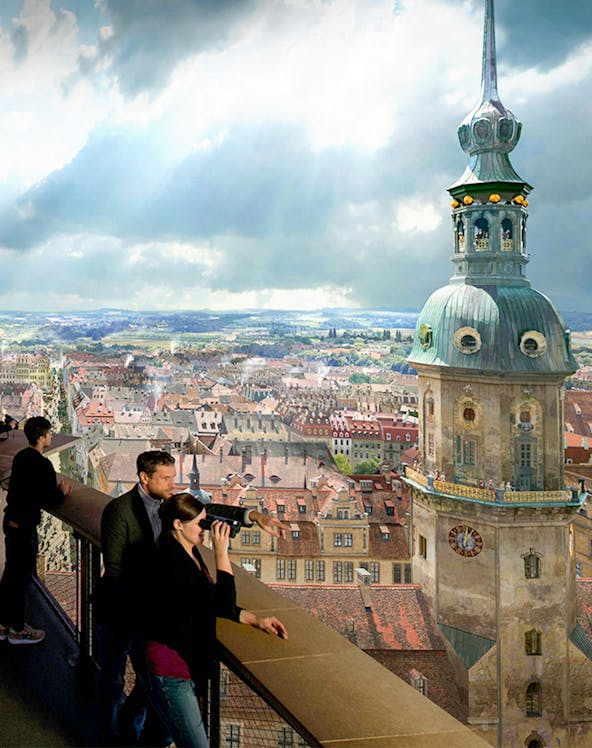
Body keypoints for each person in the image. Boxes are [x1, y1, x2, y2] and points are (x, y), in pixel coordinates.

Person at [96, 449, 286, 747]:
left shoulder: (170, 511)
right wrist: (157, 598)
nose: (173, 484)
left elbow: (206, 513)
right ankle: (108, 737)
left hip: (160, 625)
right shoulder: (121, 511)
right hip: (130, 614)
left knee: (149, 695)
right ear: (145, 478)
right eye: (166, 478)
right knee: (115, 679)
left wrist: (254, 516)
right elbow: (117, 571)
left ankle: (125, 734)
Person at [144, 493, 288, 748]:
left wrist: (255, 619)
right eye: (201, 523)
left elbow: (207, 602)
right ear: (178, 524)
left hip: (174, 662)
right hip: (172, 666)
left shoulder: (182, 548)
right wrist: (222, 553)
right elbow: (219, 602)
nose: (206, 528)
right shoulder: (173, 561)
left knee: (160, 735)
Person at [0, 416, 71, 644]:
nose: (51, 436)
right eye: (49, 434)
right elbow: (49, 498)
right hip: (25, 524)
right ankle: (18, 630)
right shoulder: (43, 464)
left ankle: (3, 624)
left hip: (11, 519)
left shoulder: (21, 457)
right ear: (41, 438)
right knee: (20, 578)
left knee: (11, 575)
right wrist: (62, 490)